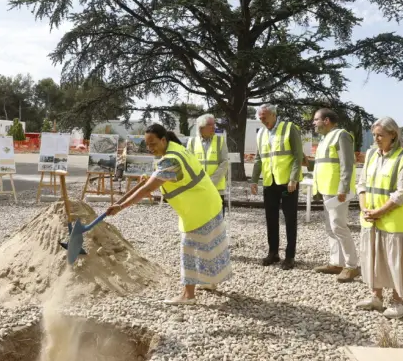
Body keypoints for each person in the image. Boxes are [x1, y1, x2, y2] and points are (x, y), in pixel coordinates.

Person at [106, 123, 229, 304]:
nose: (150, 148)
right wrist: (154, 175)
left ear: (163, 140)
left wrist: (121, 206)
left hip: (198, 208)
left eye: (153, 143)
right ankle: (209, 281)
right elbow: (165, 176)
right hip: (208, 201)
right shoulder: (175, 148)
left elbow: (147, 189)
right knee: (208, 244)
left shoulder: (171, 159)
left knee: (189, 248)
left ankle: (188, 295)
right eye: (147, 145)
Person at [355, 117, 403, 319]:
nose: (376, 139)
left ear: (393, 135)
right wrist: (365, 208)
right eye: (374, 135)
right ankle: (376, 296)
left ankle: (398, 302)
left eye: (380, 135)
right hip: (371, 217)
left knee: (395, 261)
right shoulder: (372, 154)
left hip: (393, 219)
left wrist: (380, 211)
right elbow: (362, 183)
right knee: (373, 257)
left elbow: (402, 192)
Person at [250, 104, 304, 269]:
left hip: (288, 183)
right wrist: (253, 180)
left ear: (273, 115)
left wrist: (294, 179)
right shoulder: (261, 133)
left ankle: (290, 256)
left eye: (264, 117)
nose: (262, 120)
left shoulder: (289, 128)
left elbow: (297, 155)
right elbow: (259, 158)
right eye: (260, 118)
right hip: (269, 182)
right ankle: (273, 252)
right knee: (271, 219)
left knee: (289, 219)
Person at [309, 108, 359, 282]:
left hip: (337, 191)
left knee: (339, 226)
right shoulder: (324, 139)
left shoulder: (341, 136)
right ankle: (336, 262)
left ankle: (352, 266)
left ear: (327, 120)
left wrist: (343, 188)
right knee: (330, 227)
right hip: (326, 190)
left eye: (316, 120)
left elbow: (348, 164)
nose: (313, 123)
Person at [186, 114, 229, 211]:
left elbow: (224, 163)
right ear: (201, 127)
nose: (214, 127)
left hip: (216, 188)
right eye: (210, 125)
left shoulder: (220, 140)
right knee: (199, 219)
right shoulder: (192, 142)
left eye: (214, 124)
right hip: (198, 187)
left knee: (217, 221)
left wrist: (211, 182)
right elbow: (188, 164)